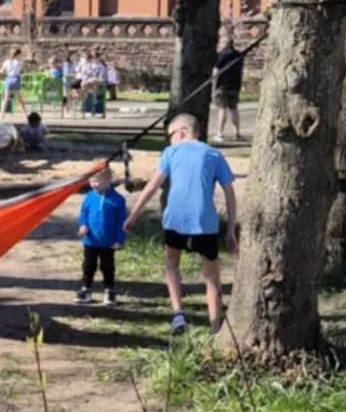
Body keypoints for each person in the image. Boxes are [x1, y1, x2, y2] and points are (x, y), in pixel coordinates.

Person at [124, 114, 237, 336]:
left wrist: (133, 216)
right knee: (212, 278)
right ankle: (215, 328)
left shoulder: (170, 153)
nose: (169, 141)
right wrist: (231, 230)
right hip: (205, 225)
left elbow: (152, 187)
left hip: (174, 221)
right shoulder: (214, 154)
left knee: (171, 264)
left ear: (182, 132)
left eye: (170, 136)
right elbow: (230, 193)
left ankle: (178, 314)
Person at [76, 167, 127, 306]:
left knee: (108, 267)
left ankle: (109, 290)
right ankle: (86, 289)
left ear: (108, 180)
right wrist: (83, 225)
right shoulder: (89, 197)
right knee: (88, 266)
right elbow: (83, 214)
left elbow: (121, 221)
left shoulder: (118, 200)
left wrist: (119, 239)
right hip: (90, 241)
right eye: (92, 181)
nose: (94, 184)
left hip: (108, 242)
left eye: (97, 181)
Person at [213, 36, 244, 143]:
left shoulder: (221, 55)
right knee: (234, 109)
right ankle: (237, 133)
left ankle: (220, 133)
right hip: (235, 85)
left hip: (222, 86)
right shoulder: (239, 55)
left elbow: (216, 70)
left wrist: (213, 85)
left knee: (222, 109)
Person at [0, 48, 28, 119]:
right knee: (19, 99)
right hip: (16, 79)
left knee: (5, 98)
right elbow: (20, 70)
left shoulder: (6, 61)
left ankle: (2, 114)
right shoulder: (19, 62)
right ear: (18, 54)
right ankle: (25, 114)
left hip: (8, 79)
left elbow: (1, 71)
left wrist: (7, 73)